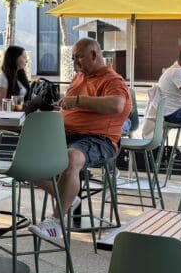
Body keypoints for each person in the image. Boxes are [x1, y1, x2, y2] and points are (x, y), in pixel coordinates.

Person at [28, 38, 131, 243]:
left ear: (94, 55)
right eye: (73, 58)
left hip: (98, 138)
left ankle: (56, 223)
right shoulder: (80, 77)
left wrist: (77, 101)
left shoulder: (112, 80)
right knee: (25, 159)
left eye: (79, 58)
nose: (75, 63)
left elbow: (117, 105)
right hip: (66, 135)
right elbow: (71, 110)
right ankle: (69, 197)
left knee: (71, 158)